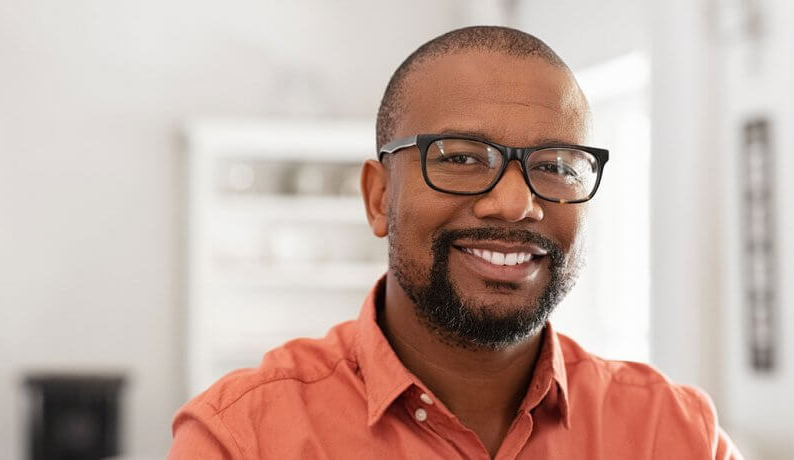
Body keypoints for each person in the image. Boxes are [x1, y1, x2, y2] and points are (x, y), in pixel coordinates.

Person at [169, 26, 742, 459]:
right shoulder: (244, 439)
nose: (516, 203)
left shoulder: (672, 434)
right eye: (463, 158)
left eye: (557, 166)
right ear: (377, 198)